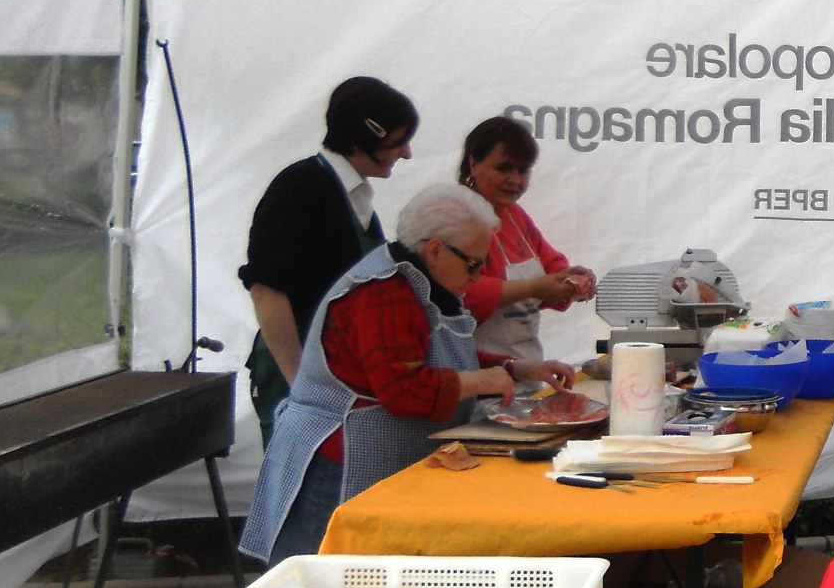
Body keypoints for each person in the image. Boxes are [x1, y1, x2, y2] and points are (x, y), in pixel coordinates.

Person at [240, 184, 574, 564]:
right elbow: (405, 390)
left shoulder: (422, 283)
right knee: (317, 578)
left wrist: (514, 368)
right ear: (435, 249)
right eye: (473, 264)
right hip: (336, 466)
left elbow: (441, 355)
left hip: (370, 459)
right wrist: (483, 381)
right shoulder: (382, 295)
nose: (478, 276)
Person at [239, 78, 418, 446]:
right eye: (399, 141)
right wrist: (301, 385)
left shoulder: (355, 196)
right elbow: (266, 290)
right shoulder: (300, 187)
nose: (407, 153)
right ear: (366, 135)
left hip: (337, 376)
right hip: (300, 376)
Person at [457, 116, 596, 361]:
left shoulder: (515, 215)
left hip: (524, 366)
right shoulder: (455, 216)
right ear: (473, 164)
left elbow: (550, 265)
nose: (515, 180)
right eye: (503, 169)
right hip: (473, 369)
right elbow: (461, 294)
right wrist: (533, 288)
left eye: (523, 170)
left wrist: (571, 281)